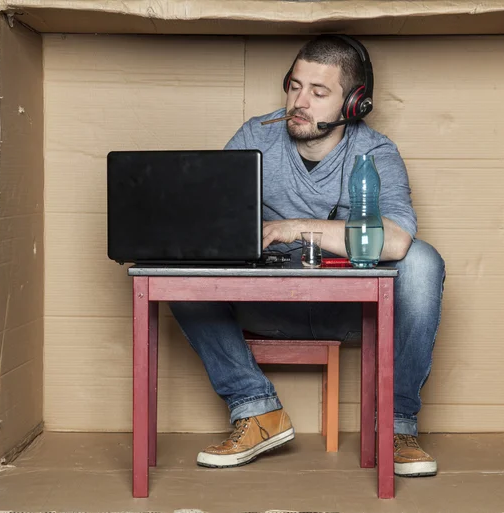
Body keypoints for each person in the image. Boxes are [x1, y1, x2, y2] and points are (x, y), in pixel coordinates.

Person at [169, 34, 445, 477]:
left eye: (319, 92)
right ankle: (255, 409)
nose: (300, 101)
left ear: (354, 104)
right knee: (179, 270)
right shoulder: (253, 136)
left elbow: (396, 241)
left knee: (423, 262)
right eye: (295, 86)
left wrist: (294, 228)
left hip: (352, 310)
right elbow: (210, 222)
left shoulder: (376, 151)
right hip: (270, 304)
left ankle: (396, 425)